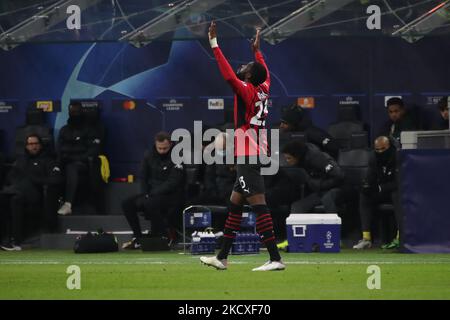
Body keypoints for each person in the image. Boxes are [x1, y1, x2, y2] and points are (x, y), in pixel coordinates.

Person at [200, 21, 284, 271]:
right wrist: (257, 51)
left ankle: (275, 259)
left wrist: (214, 43)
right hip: (255, 150)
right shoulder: (263, 88)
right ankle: (222, 257)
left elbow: (227, 73)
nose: (241, 68)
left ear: (247, 76)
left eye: (246, 67)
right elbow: (265, 71)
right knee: (235, 204)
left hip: (248, 153)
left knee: (259, 205)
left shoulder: (246, 90)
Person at [121, 132, 185, 249]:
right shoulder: (148, 155)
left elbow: (173, 183)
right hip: (150, 194)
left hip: (171, 195)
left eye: (165, 148)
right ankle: (138, 237)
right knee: (127, 203)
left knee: (149, 203)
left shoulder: (177, 156)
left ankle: (164, 235)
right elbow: (143, 177)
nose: (161, 151)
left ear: (170, 144)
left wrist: (150, 195)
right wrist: (145, 193)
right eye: (159, 148)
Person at [0, 134, 62, 251]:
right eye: (30, 144)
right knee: (6, 198)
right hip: (18, 191)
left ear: (40, 145)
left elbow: (56, 179)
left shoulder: (48, 160)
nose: (33, 146)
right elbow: (10, 177)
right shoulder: (21, 160)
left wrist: (34, 180)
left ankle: (16, 241)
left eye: (35, 144)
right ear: (26, 146)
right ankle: (5, 238)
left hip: (36, 195)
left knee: (15, 198)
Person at [353, 136, 401, 250]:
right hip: (382, 191)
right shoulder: (373, 158)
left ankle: (400, 237)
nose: (380, 152)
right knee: (364, 195)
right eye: (377, 149)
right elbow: (370, 176)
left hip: (395, 190)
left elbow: (399, 182)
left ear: (389, 147)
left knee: (397, 194)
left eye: (383, 149)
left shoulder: (397, 157)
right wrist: (366, 185)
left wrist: (380, 187)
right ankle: (366, 238)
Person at [57, 102, 104, 215]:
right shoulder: (64, 130)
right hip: (65, 162)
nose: (75, 114)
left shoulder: (91, 129)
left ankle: (68, 204)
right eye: (72, 112)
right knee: (54, 170)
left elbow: (93, 150)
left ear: (82, 112)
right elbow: (59, 149)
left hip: (84, 164)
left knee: (72, 167)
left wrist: (74, 156)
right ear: (68, 113)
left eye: (77, 112)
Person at [282, 140, 344, 214]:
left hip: (338, 189)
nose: (287, 161)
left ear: (297, 156)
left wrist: (321, 184)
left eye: (289, 158)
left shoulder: (318, 158)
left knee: (327, 199)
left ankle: (334, 225)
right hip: (320, 191)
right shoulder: (302, 162)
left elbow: (339, 175)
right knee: (297, 207)